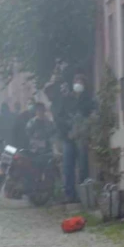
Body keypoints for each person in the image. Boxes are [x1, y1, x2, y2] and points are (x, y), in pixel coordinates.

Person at [44, 73, 95, 203]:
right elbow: (59, 117)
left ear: (85, 85)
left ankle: (84, 195)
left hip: (82, 137)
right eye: (77, 81)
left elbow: (93, 115)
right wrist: (67, 129)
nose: (78, 84)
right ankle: (70, 195)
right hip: (68, 138)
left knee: (83, 166)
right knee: (68, 167)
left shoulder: (88, 99)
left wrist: (85, 127)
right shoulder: (67, 99)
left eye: (81, 82)